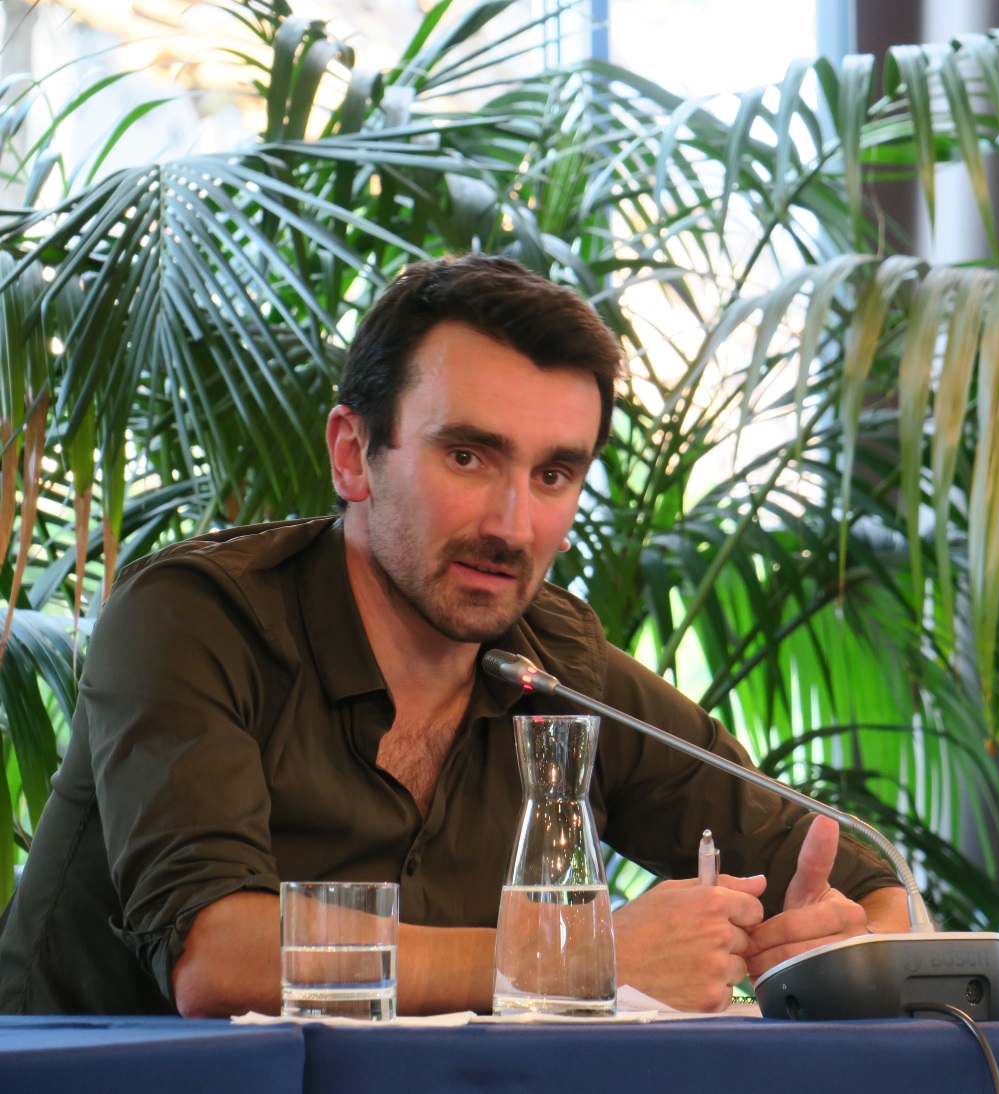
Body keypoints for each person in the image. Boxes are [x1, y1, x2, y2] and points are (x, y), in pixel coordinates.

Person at [0, 254, 909, 1017]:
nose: (512, 525)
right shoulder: (195, 618)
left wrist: (831, 945)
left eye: (554, 475)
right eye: (468, 456)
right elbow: (218, 956)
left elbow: (864, 881)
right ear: (353, 454)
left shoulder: (556, 666)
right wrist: (576, 954)